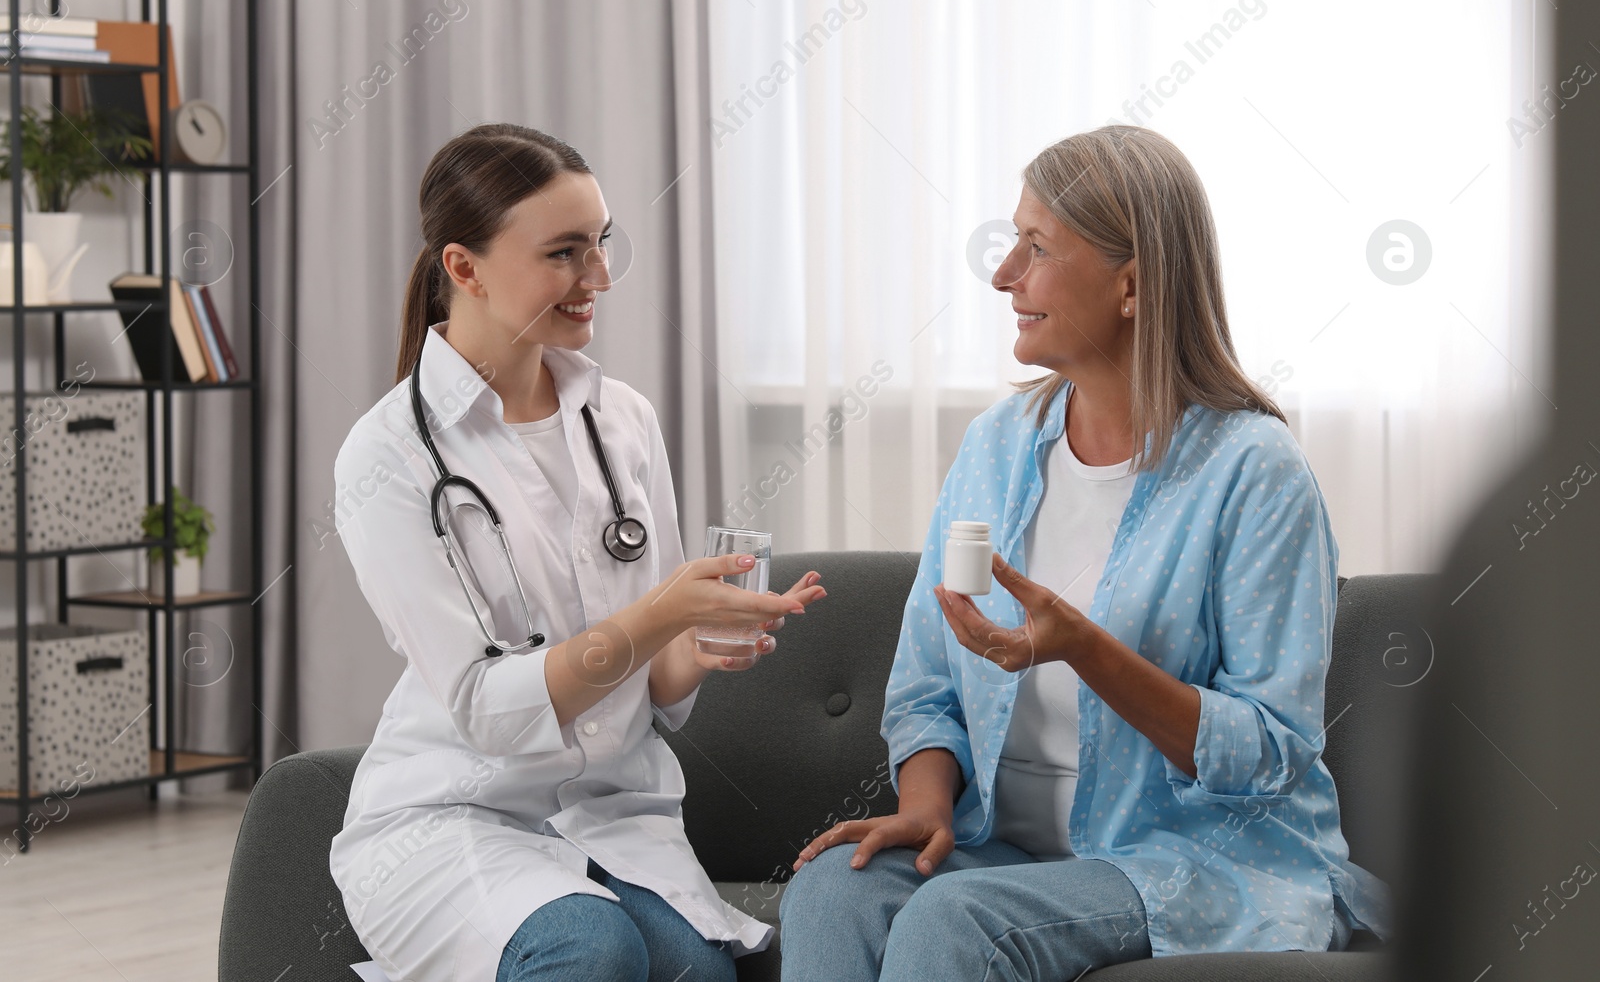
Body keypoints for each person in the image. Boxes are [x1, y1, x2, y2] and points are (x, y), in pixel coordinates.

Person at [779, 125, 1391, 981]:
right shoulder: (998, 446)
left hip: (1196, 862)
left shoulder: (1254, 472)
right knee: (830, 895)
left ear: (1132, 283)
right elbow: (926, 682)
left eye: (1035, 248)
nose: (1003, 277)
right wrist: (925, 805)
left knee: (957, 921)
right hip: (1008, 853)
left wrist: (1087, 649)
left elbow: (1270, 748)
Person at [328, 124, 826, 982]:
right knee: (588, 953)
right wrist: (663, 610)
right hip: (455, 815)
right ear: (464, 268)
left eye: (601, 244)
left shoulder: (622, 420)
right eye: (564, 252)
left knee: (698, 975)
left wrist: (700, 640)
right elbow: (487, 707)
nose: (597, 277)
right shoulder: (388, 457)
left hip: (608, 813)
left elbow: (655, 687)